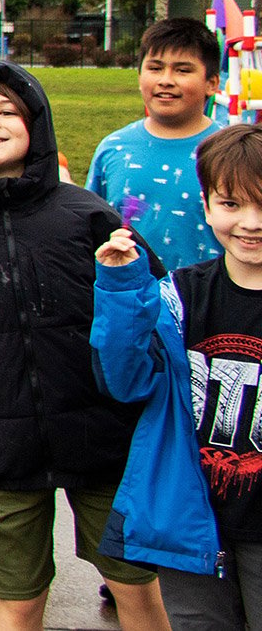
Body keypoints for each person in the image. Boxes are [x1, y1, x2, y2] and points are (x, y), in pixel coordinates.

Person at [0, 60, 169, 631]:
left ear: (37, 124)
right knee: (19, 599)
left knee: (137, 589)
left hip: (103, 438)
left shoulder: (86, 214)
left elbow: (151, 311)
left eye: (8, 111)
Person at [93, 124, 262, 629]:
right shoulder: (178, 295)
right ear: (207, 206)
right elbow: (126, 381)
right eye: (231, 204)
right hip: (188, 519)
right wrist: (123, 290)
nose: (250, 223)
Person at [87, 18, 226, 271]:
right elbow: (90, 232)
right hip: (132, 302)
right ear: (139, 76)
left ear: (212, 83)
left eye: (183, 70)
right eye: (155, 68)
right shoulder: (114, 149)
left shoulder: (232, 152)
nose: (166, 80)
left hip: (210, 305)